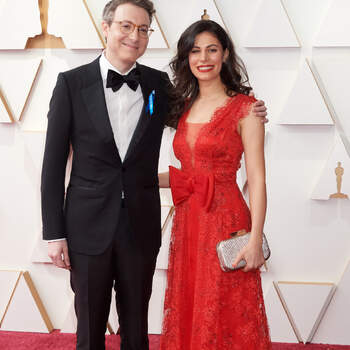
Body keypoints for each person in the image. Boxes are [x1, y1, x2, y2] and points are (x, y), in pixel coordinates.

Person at [41, 1, 268, 349]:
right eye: (126, 26)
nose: (135, 36)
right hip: (86, 227)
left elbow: (212, 116)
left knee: (137, 329)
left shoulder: (159, 86)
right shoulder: (71, 84)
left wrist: (249, 107)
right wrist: (53, 233)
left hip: (140, 226)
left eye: (144, 29)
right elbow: (53, 165)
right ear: (106, 27)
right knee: (88, 330)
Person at [159, 20, 271, 349]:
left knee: (229, 309)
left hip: (226, 220)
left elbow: (259, 179)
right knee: (191, 302)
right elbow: (186, 175)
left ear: (225, 54)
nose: (203, 58)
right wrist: (135, 181)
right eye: (195, 50)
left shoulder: (247, 109)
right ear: (186, 58)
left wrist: (254, 240)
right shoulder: (181, 106)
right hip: (189, 221)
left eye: (211, 49)